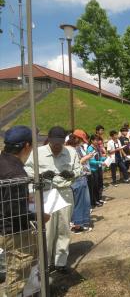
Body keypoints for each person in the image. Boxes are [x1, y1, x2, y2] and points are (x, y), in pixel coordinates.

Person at [25, 126, 81, 274]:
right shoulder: (38, 153)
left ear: (64, 141)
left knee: (64, 228)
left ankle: (60, 262)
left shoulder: (71, 152)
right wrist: (41, 175)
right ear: (48, 139)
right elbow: (27, 170)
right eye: (54, 142)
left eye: (60, 142)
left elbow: (79, 169)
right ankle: (46, 262)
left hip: (64, 193)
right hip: (46, 194)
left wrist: (72, 174)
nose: (57, 146)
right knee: (47, 230)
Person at [0, 126, 45, 296]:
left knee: (29, 260)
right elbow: (15, 211)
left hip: (4, 225)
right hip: (14, 230)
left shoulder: (2, 161)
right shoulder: (16, 172)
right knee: (17, 272)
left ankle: (31, 290)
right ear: (27, 145)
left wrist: (25, 197)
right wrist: (38, 216)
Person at [66, 131, 93, 233]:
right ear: (77, 139)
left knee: (84, 202)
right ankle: (77, 225)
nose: (82, 143)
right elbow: (75, 164)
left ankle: (81, 223)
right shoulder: (70, 149)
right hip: (77, 178)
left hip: (81, 176)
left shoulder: (74, 148)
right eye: (81, 140)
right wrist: (86, 157)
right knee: (79, 202)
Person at [87, 135, 106, 207]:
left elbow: (99, 158)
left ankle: (98, 198)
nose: (97, 141)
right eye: (95, 140)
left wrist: (105, 158)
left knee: (98, 184)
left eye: (97, 140)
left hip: (98, 168)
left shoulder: (97, 147)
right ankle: (94, 201)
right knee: (94, 186)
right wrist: (100, 162)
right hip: (93, 169)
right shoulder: (90, 149)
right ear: (91, 140)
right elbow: (91, 161)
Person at [95, 125, 106, 191]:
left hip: (101, 155)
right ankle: (99, 185)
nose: (102, 131)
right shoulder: (95, 137)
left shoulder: (101, 137)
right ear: (97, 131)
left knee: (101, 171)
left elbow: (102, 146)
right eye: (101, 130)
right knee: (98, 171)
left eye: (103, 130)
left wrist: (104, 152)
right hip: (97, 155)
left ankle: (101, 184)